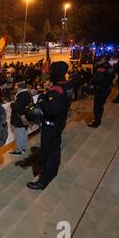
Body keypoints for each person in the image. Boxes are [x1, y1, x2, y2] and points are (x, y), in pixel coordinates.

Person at [27, 61, 73, 190]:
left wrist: (42, 100)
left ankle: (43, 181)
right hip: (60, 123)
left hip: (51, 125)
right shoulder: (68, 86)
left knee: (47, 152)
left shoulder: (56, 89)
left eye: (51, 72)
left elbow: (52, 109)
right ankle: (53, 172)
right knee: (55, 149)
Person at [88, 59, 115, 128]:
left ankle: (96, 121)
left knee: (97, 106)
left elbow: (96, 79)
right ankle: (97, 119)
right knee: (101, 105)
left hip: (101, 90)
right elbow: (113, 76)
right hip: (107, 89)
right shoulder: (110, 67)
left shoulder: (100, 69)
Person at [9, 81, 33, 156]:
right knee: (24, 133)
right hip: (26, 118)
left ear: (19, 88)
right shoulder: (28, 94)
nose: (16, 89)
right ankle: (23, 148)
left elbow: (17, 108)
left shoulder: (21, 95)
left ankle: (18, 150)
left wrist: (12, 102)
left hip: (19, 119)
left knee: (19, 134)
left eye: (17, 87)